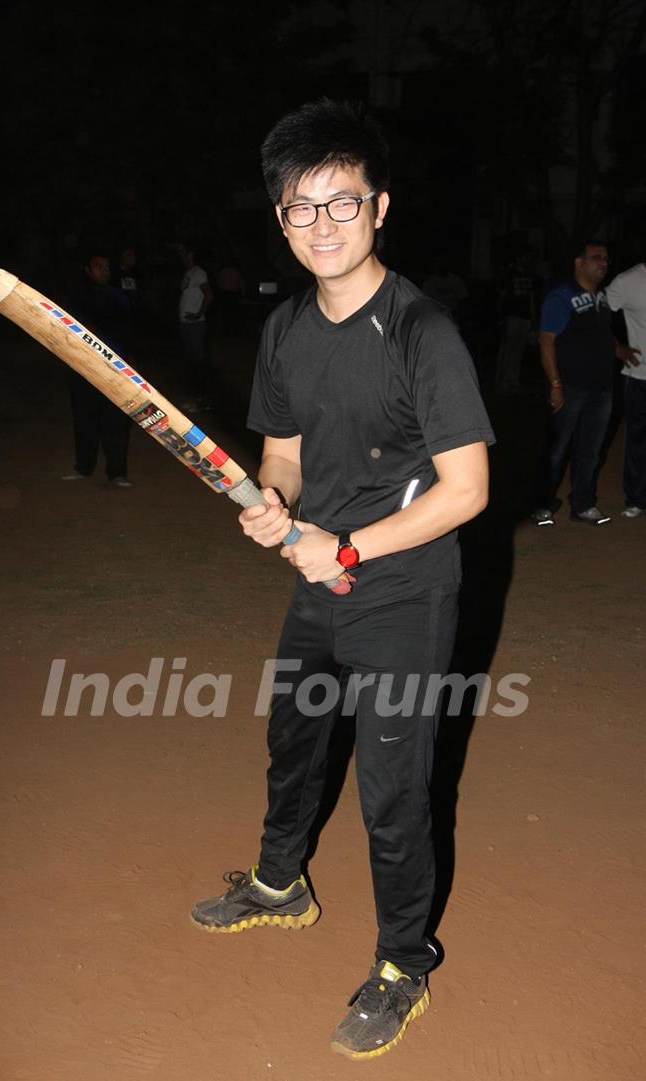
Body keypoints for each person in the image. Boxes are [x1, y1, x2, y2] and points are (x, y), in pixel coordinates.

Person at [190, 99, 494, 1061]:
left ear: (380, 208)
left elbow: (469, 491)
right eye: (300, 208)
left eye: (341, 203)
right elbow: (280, 453)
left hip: (403, 589)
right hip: (318, 575)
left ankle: (404, 961)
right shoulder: (284, 329)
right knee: (294, 737)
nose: (321, 225)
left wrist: (350, 548)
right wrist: (270, 504)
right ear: (280, 221)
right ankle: (282, 882)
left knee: (394, 791)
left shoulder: (421, 331)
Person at [530, 241, 637, 526]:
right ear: (579, 263)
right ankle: (542, 505)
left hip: (600, 389)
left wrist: (619, 349)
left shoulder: (600, 297)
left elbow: (600, 332)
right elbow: (546, 340)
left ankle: (583, 504)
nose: (604, 263)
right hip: (570, 387)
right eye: (596, 258)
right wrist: (555, 384)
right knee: (556, 449)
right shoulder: (561, 297)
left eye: (606, 259)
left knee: (590, 449)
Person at [61, 252, 133, 487]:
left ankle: (117, 472)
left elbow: (128, 324)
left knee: (116, 421)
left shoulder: (119, 296)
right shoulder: (75, 296)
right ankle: (83, 467)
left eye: (106, 267)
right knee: (84, 418)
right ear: (87, 270)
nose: (104, 271)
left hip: (115, 368)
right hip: (82, 366)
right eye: (98, 266)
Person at [605, 261, 646, 517]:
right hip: (640, 374)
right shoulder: (628, 280)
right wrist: (616, 346)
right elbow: (594, 315)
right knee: (637, 439)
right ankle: (637, 498)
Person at [493, 249, 535, 396]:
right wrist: (501, 316)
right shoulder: (509, 274)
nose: (526, 260)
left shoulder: (529, 275)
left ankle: (514, 380)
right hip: (512, 316)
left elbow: (531, 297)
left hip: (524, 317)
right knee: (509, 349)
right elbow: (502, 296)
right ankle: (504, 381)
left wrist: (532, 316)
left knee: (519, 350)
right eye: (524, 257)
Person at [178, 242, 213, 409]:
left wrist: (198, 314)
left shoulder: (199, 273)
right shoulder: (188, 273)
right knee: (189, 361)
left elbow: (209, 295)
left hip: (195, 325)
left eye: (183, 252)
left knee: (198, 361)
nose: (181, 256)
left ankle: (201, 399)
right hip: (186, 324)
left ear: (190, 254)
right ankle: (195, 398)